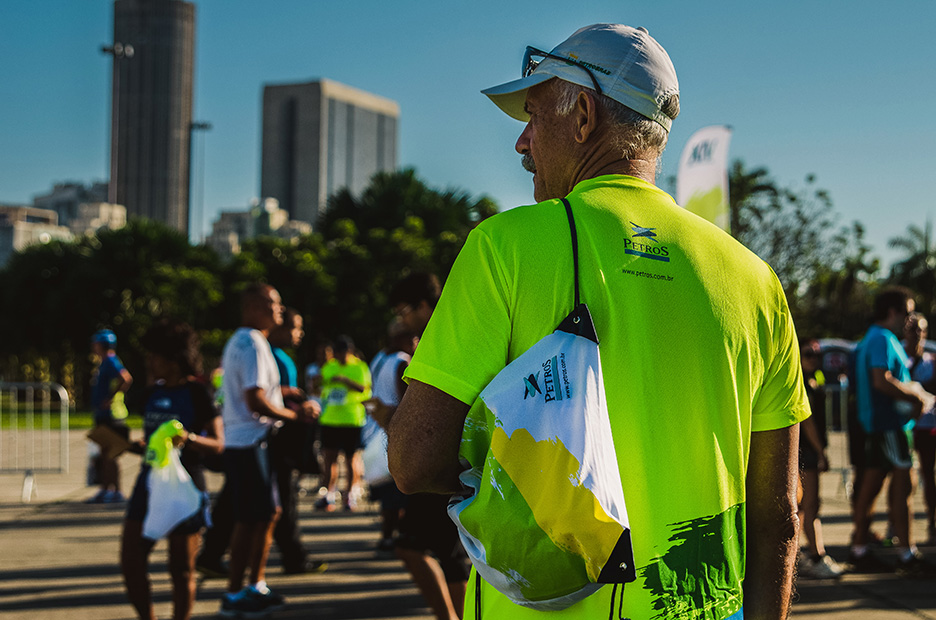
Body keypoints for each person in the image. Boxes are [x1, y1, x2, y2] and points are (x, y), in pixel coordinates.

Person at [387, 24, 809, 620]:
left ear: (583, 115)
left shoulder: (505, 247)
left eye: (532, 116)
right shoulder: (756, 281)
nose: (522, 142)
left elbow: (415, 460)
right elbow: (780, 517)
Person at [370, 272, 469, 620]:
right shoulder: (460, 326)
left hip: (440, 458)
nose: (402, 321)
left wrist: (389, 417)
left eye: (404, 311)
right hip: (454, 459)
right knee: (451, 551)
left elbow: (432, 411)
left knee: (414, 546)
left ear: (424, 306)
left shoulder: (441, 338)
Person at [218, 283, 319, 617]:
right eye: (273, 304)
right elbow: (255, 399)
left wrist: (284, 392)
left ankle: (252, 585)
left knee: (263, 515)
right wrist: (295, 414)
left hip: (245, 442)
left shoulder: (240, 340)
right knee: (255, 517)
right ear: (253, 306)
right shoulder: (253, 342)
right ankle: (238, 592)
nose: (280, 309)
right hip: (251, 441)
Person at [120, 319, 223, 620]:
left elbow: (219, 444)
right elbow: (152, 439)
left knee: (180, 568)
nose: (150, 363)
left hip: (184, 486)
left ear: (174, 360)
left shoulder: (197, 393)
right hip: (149, 483)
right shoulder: (152, 393)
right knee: (131, 560)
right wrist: (129, 445)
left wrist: (189, 439)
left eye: (154, 356)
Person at [850, 287, 935, 574]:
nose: (910, 319)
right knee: (903, 487)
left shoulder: (875, 338)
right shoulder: (881, 339)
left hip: (883, 424)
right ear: (893, 311)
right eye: (908, 311)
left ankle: (861, 547)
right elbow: (881, 380)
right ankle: (906, 553)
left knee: (873, 486)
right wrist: (917, 397)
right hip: (889, 424)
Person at [268, 307, 327, 574]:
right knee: (283, 498)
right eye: (296, 327)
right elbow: (261, 392)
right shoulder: (269, 356)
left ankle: (293, 554)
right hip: (277, 440)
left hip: (281, 438)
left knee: (281, 499)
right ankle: (294, 557)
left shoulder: (281, 357)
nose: (299, 334)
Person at [365, 319, 418, 552]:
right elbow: (406, 400)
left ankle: (386, 534)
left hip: (373, 430)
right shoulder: (401, 361)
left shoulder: (378, 358)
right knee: (396, 490)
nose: (416, 343)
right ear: (403, 339)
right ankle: (395, 535)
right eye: (413, 338)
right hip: (392, 429)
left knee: (387, 490)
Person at [796, 338, 845, 579]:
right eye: (808, 354)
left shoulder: (817, 379)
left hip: (808, 451)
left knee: (803, 506)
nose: (813, 359)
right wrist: (821, 450)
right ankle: (816, 555)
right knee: (810, 504)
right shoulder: (802, 383)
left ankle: (799, 554)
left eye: (817, 354)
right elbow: (808, 422)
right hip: (806, 450)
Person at [315, 335, 371, 511]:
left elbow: (365, 388)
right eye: (337, 353)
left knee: (350, 459)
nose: (339, 357)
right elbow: (318, 387)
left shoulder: (360, 367)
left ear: (350, 351)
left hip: (351, 420)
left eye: (342, 353)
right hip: (330, 419)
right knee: (329, 458)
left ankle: (349, 496)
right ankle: (329, 495)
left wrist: (345, 381)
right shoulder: (329, 366)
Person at [88, 328, 133, 503]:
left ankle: (116, 490)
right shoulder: (104, 362)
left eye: (95, 343)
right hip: (103, 414)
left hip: (112, 415)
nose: (93, 346)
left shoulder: (111, 361)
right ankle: (105, 488)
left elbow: (126, 379)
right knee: (103, 453)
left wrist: (110, 398)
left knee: (110, 455)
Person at [906, 312, 936, 545]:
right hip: (904, 428)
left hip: (928, 428)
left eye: (922, 329)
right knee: (901, 479)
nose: (918, 334)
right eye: (913, 328)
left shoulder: (931, 362)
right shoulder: (898, 359)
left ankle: (932, 523)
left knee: (929, 475)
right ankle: (895, 528)